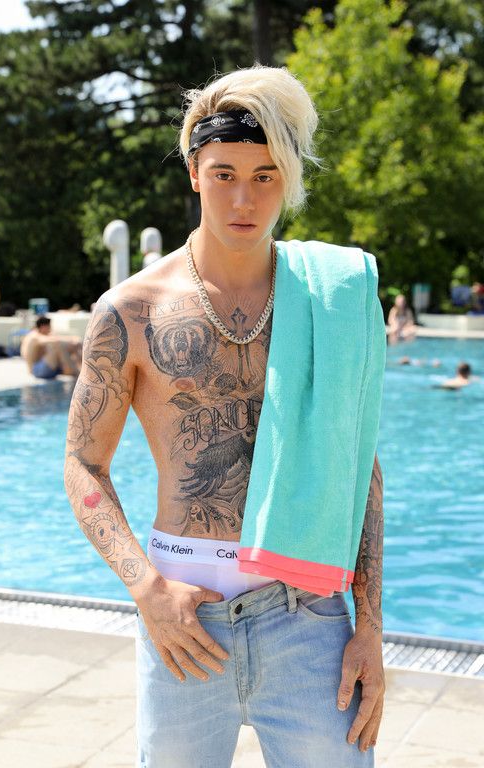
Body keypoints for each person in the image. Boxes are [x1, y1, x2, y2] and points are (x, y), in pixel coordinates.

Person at [64, 65, 385, 767]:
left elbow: (359, 465)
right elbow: (83, 464)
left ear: (288, 178)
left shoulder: (330, 299)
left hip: (310, 617)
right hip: (185, 616)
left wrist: (370, 628)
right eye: (224, 174)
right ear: (193, 173)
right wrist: (147, 589)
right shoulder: (131, 311)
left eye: (266, 176)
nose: (245, 198)